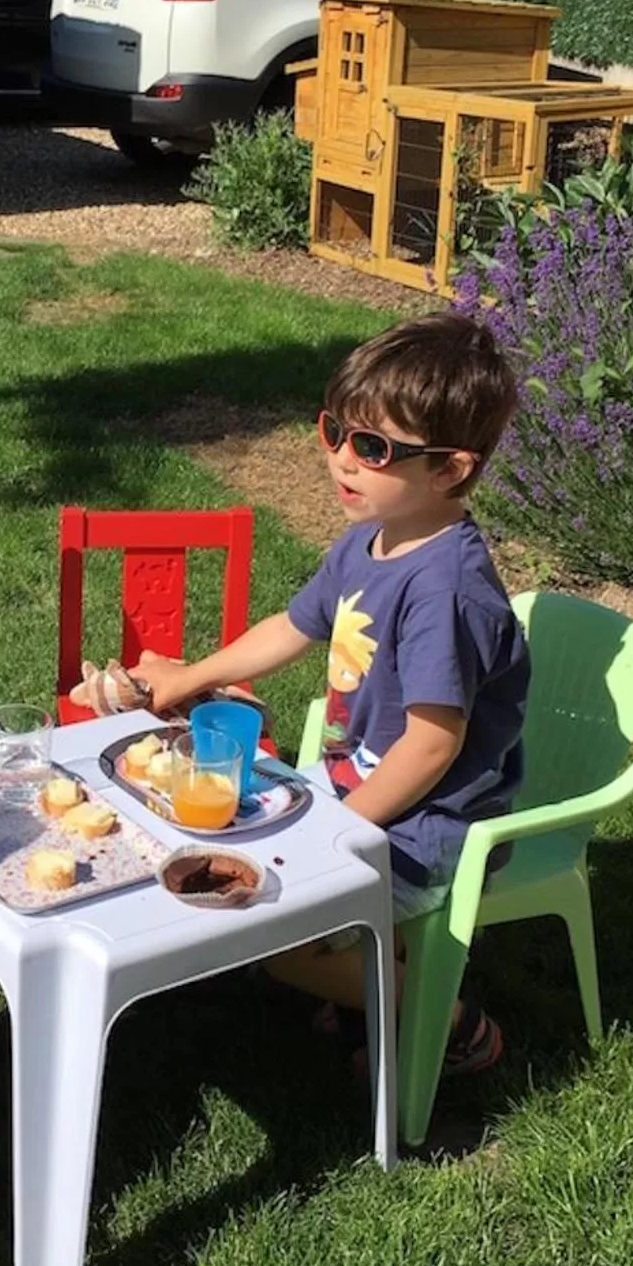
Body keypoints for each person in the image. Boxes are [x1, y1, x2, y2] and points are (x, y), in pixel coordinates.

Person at [135, 315, 530, 1076]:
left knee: (275, 939)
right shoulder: (373, 537)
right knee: (231, 860)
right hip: (360, 783)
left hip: (433, 826)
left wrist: (340, 832)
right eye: (336, 431)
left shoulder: (445, 591)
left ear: (449, 470)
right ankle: (365, 982)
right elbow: (294, 625)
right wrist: (191, 676)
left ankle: (446, 1020)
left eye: (373, 448)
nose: (342, 458)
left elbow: (432, 746)